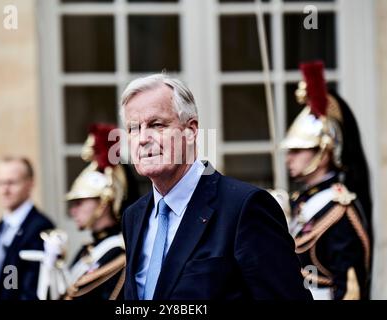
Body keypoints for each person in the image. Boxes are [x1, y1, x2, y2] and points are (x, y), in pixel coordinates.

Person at [120, 73, 312, 300]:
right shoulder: (134, 216)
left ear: (190, 131)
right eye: (133, 128)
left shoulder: (245, 208)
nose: (142, 138)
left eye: (157, 124)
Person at [279, 61, 372, 300]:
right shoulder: (304, 200)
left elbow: (350, 289)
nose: (289, 158)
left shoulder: (340, 209)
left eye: (298, 151)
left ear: (324, 152)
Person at [22, 124, 137, 300]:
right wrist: (51, 268)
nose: (73, 210)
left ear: (104, 202)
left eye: (80, 202)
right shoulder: (88, 249)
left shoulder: (118, 252)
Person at [0, 156, 55, 300]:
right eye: (0, 183)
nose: (5, 190)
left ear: (30, 183)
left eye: (12, 183)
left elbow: (32, 288)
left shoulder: (41, 227)